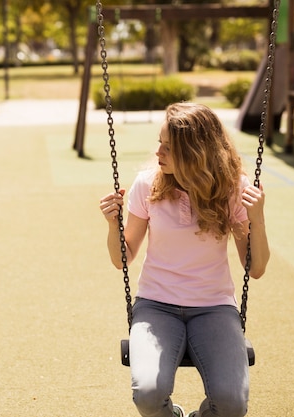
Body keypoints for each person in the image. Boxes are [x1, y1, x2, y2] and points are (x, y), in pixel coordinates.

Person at [99, 102, 269, 417]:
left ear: (194, 152)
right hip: (156, 305)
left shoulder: (232, 189)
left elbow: (255, 268)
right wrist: (113, 226)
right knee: (148, 395)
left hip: (214, 307)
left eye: (167, 146)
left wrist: (256, 219)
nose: (158, 152)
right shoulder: (147, 184)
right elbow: (122, 258)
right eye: (159, 143)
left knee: (232, 404)